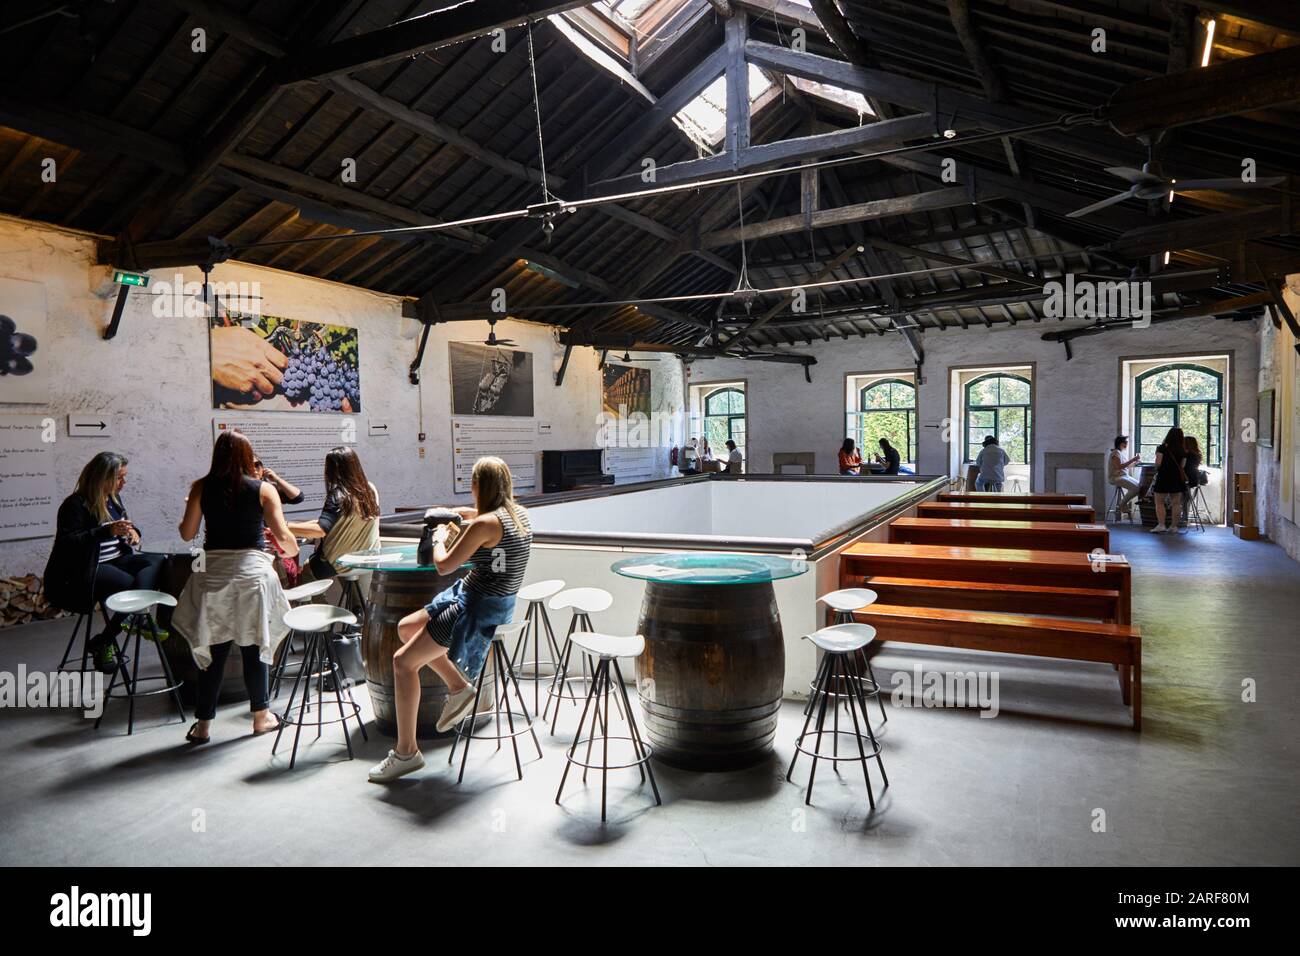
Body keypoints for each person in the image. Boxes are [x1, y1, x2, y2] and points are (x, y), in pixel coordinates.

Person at [369, 457, 533, 783]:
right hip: (497, 603)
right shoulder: (519, 516)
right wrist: (458, 514)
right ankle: (458, 686)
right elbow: (481, 521)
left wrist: (441, 537)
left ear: (477, 486)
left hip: (474, 608)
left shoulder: (484, 526)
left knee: (403, 663)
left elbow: (444, 566)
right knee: (406, 627)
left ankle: (406, 753)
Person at [171, 429, 297, 743]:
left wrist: (194, 508)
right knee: (255, 645)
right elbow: (286, 541)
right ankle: (261, 717)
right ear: (246, 456)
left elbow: (187, 534)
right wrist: (292, 546)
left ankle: (202, 726)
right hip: (251, 574)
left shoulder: (201, 487)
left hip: (212, 575)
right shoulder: (263, 489)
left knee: (213, 649)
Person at [42, 452, 166, 673]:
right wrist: (105, 531)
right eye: (119, 478)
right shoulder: (75, 504)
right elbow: (67, 542)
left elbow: (125, 526)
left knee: (159, 561)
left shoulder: (114, 500)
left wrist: (134, 533)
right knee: (133, 585)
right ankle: (125, 627)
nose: (123, 483)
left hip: (117, 559)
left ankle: (105, 639)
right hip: (86, 568)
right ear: (102, 477)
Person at [287, 447, 381, 583]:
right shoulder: (369, 490)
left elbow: (320, 530)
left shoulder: (338, 495)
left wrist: (283, 526)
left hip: (339, 564)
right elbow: (329, 522)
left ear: (333, 469)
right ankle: (355, 604)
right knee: (341, 566)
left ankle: (320, 605)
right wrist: (294, 525)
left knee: (307, 570)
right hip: (369, 560)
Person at [1150, 426, 1188, 534]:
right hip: (1176, 478)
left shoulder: (1162, 448)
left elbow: (1158, 463)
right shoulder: (1183, 451)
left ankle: (1161, 524)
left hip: (1163, 477)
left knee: (1159, 502)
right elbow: (1182, 466)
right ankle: (1174, 526)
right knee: (1176, 503)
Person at [1107, 435, 1142, 516]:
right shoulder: (1115, 453)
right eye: (1125, 442)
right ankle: (1122, 504)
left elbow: (1125, 467)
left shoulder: (1120, 453)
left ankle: (1123, 503)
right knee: (1136, 488)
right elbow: (1119, 466)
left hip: (1123, 476)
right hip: (1116, 477)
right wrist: (1133, 459)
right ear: (1120, 443)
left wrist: (1134, 463)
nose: (1127, 444)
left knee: (1139, 486)